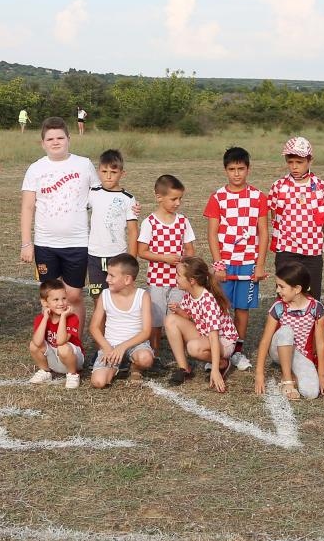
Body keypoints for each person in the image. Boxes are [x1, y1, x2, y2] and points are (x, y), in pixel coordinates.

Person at [19, 117, 97, 336]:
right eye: (50, 138)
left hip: (78, 243)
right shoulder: (35, 169)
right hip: (46, 244)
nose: (55, 142)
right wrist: (27, 243)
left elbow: (99, 198)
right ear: (43, 143)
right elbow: (27, 207)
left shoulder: (84, 164)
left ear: (69, 139)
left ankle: (75, 343)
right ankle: (51, 342)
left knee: (73, 297)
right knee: (50, 298)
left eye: (60, 137)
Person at [203, 145, 269, 370]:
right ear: (225, 170)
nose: (237, 173)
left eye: (241, 168)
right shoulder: (218, 198)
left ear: (248, 169)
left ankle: (237, 351)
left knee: (242, 308)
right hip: (226, 263)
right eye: (232, 169)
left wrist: (259, 265)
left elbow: (264, 232)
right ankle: (217, 349)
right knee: (221, 307)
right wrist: (219, 263)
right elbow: (212, 233)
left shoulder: (259, 197)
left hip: (248, 263)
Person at [134, 174, 194, 353]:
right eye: (173, 199)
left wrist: (184, 261)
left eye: (180, 199)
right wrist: (164, 258)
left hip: (179, 282)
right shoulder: (149, 222)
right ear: (159, 197)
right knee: (156, 319)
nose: (177, 203)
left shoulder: (183, 221)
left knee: (177, 315)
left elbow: (190, 248)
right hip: (157, 281)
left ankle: (181, 353)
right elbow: (141, 251)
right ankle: (155, 351)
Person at [267, 136, 324, 302]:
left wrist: (310, 237)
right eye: (291, 161)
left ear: (310, 160)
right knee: (284, 297)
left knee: (311, 296)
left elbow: (323, 220)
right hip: (286, 250)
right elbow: (274, 217)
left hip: (312, 252)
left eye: (299, 162)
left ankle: (312, 328)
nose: (294, 166)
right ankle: (283, 328)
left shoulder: (321, 186)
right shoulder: (279, 186)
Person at [162, 258, 238, 392]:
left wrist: (214, 370)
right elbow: (190, 316)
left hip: (223, 341)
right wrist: (180, 311)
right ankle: (184, 369)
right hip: (204, 334)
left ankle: (222, 364)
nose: (175, 278)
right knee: (170, 319)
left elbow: (214, 337)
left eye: (178, 275)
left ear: (192, 281)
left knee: (193, 348)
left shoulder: (208, 301)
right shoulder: (189, 293)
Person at [252, 261, 324, 401]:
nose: (278, 290)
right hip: (277, 350)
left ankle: (295, 377)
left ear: (297, 289)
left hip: (300, 353)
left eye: (282, 286)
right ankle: (287, 380)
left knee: (311, 393)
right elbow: (266, 340)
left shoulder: (317, 308)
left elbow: (320, 344)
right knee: (286, 331)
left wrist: (321, 376)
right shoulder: (278, 307)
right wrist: (259, 373)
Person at [87, 253, 154, 388]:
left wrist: (122, 347)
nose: (107, 279)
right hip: (110, 345)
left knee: (145, 358)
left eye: (112, 275)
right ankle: (118, 366)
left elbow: (146, 332)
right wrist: (106, 347)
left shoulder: (142, 296)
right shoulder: (104, 295)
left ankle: (135, 368)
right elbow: (94, 327)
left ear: (127, 279)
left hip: (135, 345)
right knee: (98, 382)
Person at [86, 149, 139, 308]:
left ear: (122, 173)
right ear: (98, 171)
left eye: (113, 172)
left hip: (117, 255)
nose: (108, 176)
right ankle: (101, 330)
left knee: (119, 295)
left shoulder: (128, 199)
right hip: (94, 255)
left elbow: (132, 231)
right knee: (98, 298)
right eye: (104, 171)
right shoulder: (92, 193)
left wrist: (131, 258)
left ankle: (120, 329)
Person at [28, 277, 82, 388]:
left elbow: (60, 341)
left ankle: (73, 374)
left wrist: (63, 317)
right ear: (45, 302)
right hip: (55, 359)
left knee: (63, 347)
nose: (61, 303)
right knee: (33, 345)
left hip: (73, 360)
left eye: (64, 298)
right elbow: (37, 343)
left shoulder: (72, 318)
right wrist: (45, 318)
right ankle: (46, 371)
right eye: (56, 300)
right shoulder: (41, 318)